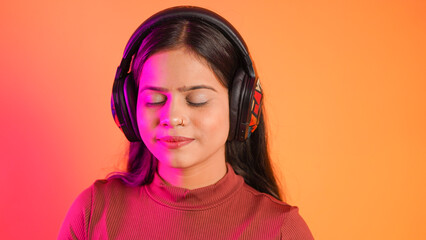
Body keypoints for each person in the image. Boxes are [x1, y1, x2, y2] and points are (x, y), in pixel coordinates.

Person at [58, 6, 314, 239]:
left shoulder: (281, 229)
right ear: (129, 107)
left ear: (241, 108)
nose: (172, 117)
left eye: (197, 99)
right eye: (155, 99)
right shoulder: (93, 211)